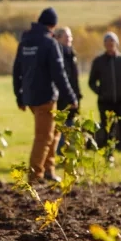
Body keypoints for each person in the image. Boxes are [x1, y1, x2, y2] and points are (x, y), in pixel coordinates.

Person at [12, 8, 77, 183]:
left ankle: (49, 169)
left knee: (54, 132)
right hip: (46, 98)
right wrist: (71, 97)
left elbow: (17, 70)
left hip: (30, 97)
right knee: (44, 137)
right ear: (53, 25)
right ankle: (35, 176)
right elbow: (59, 74)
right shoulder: (50, 43)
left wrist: (19, 96)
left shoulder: (25, 42)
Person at [88, 32, 121, 166]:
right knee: (108, 130)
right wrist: (101, 93)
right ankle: (109, 157)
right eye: (107, 42)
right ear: (104, 44)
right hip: (105, 102)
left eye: (112, 42)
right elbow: (91, 82)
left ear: (116, 44)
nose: (110, 45)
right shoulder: (98, 62)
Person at [53, 27, 83, 156]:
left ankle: (68, 154)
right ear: (58, 38)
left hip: (72, 95)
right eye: (67, 37)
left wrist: (77, 95)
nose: (69, 39)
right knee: (62, 126)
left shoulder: (71, 54)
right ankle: (61, 154)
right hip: (62, 97)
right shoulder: (57, 55)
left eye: (70, 37)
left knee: (70, 125)